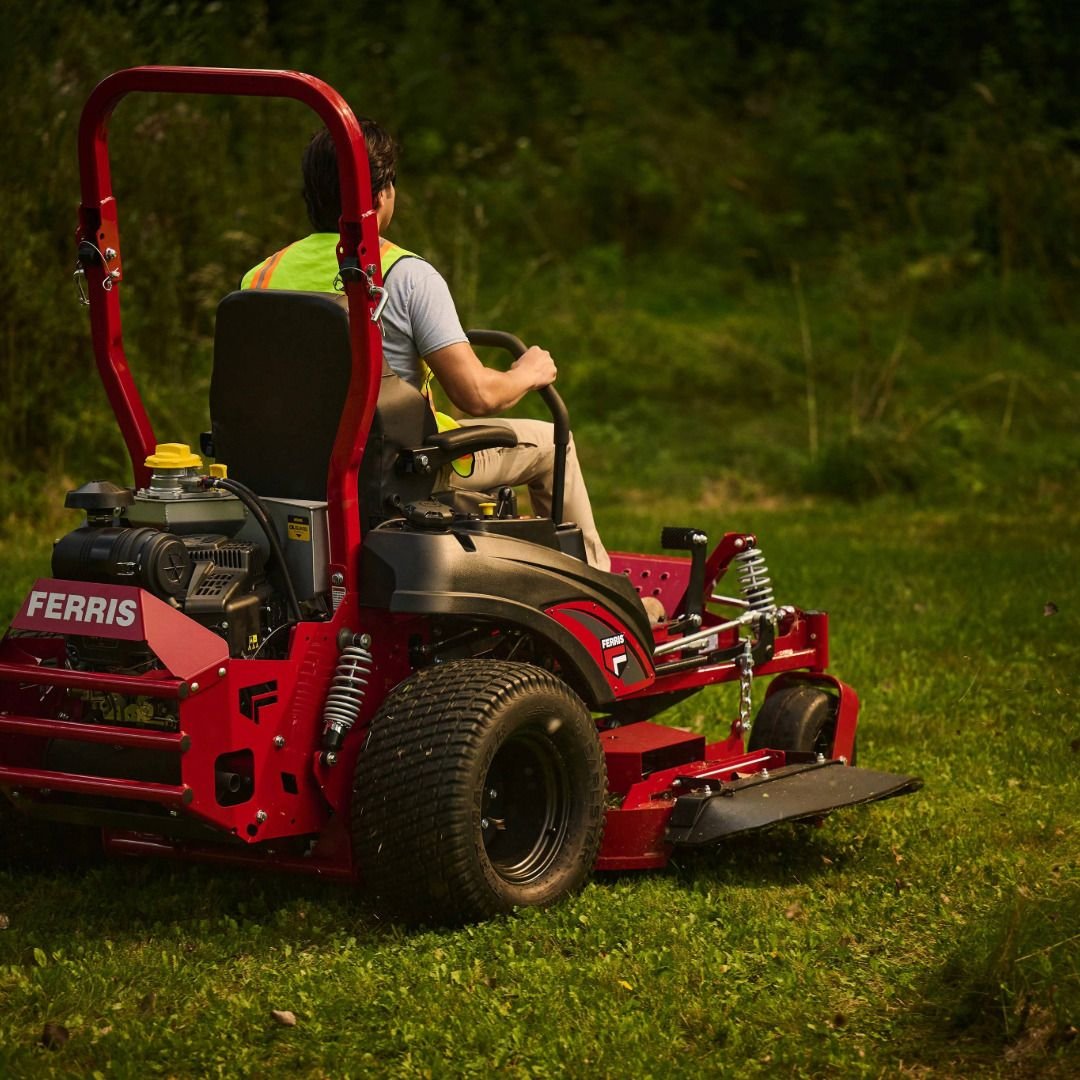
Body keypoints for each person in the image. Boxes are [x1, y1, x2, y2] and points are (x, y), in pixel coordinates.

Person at [242, 124, 610, 572]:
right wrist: (528, 372)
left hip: (286, 470)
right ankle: (600, 592)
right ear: (379, 196)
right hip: (396, 470)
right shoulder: (407, 275)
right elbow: (477, 396)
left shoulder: (260, 277)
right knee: (553, 443)